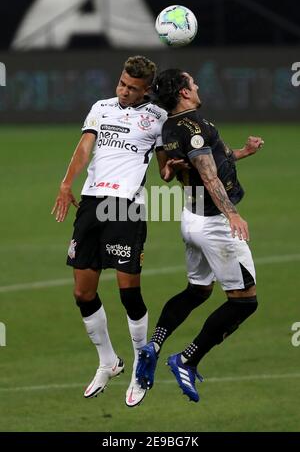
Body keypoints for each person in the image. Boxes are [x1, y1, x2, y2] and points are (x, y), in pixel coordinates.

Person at [51, 56, 179, 408]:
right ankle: (108, 361)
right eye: (122, 83)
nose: (123, 91)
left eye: (132, 88)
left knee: (128, 292)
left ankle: (141, 362)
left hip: (126, 206)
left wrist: (171, 171)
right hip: (92, 205)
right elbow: (84, 148)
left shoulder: (158, 118)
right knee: (82, 291)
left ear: (146, 91)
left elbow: (164, 167)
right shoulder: (101, 108)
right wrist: (66, 183)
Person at [136, 68, 264, 403]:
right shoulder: (196, 127)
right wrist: (232, 213)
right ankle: (187, 359)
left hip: (191, 219)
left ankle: (155, 342)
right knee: (245, 302)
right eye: (192, 82)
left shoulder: (169, 127)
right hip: (214, 224)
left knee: (198, 290)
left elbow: (179, 169)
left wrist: (243, 153)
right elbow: (209, 175)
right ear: (183, 92)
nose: (197, 85)